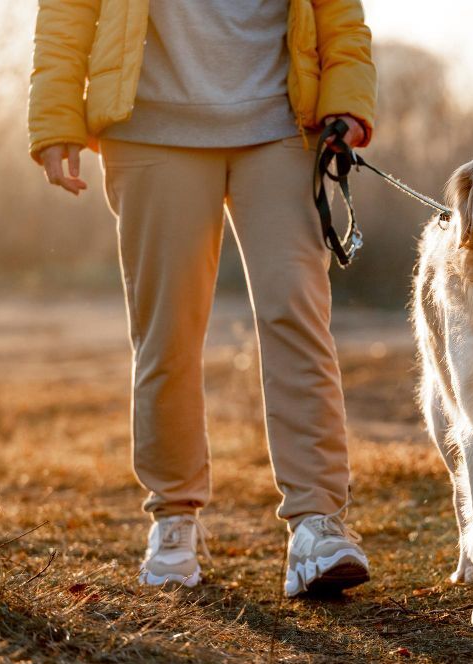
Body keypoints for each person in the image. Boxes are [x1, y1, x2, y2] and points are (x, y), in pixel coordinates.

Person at [27, 0, 377, 596]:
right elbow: (67, 10)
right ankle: (173, 519)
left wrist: (345, 101)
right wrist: (56, 117)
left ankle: (317, 523)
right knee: (167, 332)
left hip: (283, 122)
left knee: (297, 313)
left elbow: (338, 10)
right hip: (149, 126)